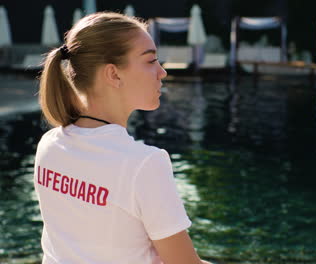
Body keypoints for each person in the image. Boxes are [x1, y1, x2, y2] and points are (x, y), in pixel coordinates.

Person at [34, 11, 211, 264]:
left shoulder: (49, 144)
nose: (162, 72)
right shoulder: (144, 164)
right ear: (114, 74)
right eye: (151, 61)